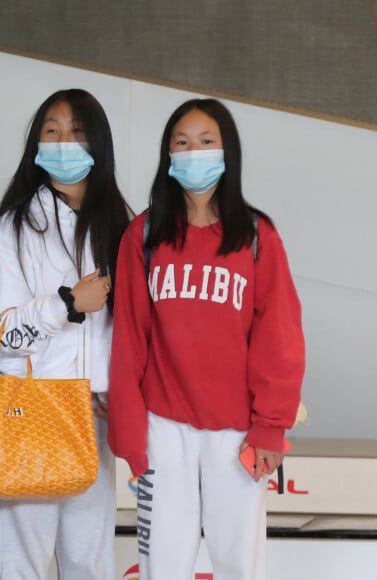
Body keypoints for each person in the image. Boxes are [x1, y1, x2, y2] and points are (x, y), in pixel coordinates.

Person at [108, 98, 305, 580]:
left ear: (226, 152)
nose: (194, 151)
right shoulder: (145, 235)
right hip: (162, 430)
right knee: (163, 567)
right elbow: (130, 340)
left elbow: (278, 335)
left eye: (206, 141)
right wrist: (131, 437)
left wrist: (270, 426)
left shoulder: (258, 236)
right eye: (182, 142)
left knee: (240, 564)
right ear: (168, 155)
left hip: (237, 431)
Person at [0, 88, 131, 580]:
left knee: (92, 563)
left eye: (77, 131)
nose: (64, 142)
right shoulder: (15, 228)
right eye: (52, 130)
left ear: (97, 143)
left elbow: (128, 329)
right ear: (36, 144)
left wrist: (113, 387)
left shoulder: (120, 225)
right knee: (22, 565)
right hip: (26, 408)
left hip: (91, 413)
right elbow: (0, 334)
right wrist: (65, 305)